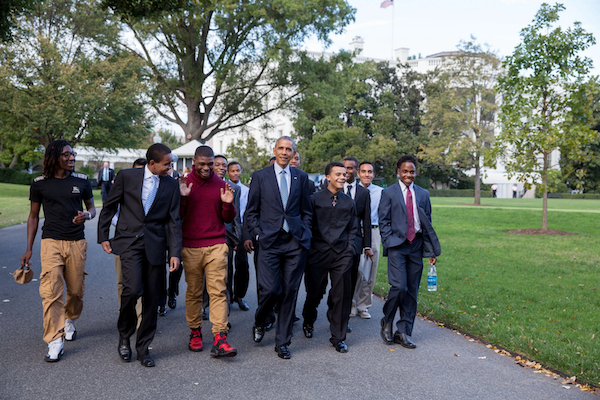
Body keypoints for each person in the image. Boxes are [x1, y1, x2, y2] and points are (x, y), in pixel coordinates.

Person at [98, 143, 182, 368]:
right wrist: (104, 236)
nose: (170, 167)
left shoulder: (171, 185)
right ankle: (124, 335)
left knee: (152, 299)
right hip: (129, 242)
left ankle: (143, 347)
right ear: (152, 163)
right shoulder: (127, 176)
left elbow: (174, 221)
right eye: (167, 164)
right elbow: (109, 206)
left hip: (155, 246)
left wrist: (175, 253)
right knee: (132, 289)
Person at [20, 140, 96, 362]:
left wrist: (87, 215)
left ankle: (70, 318)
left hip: (76, 243)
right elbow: (33, 216)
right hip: (50, 241)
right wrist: (28, 249)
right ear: (54, 157)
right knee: (51, 291)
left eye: (72, 154)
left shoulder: (81, 181)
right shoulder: (40, 184)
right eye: (66, 155)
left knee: (75, 291)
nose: (71, 158)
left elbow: (92, 208)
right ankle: (54, 339)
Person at [245, 136, 313, 359]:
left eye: (289, 149)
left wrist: (305, 232)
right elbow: (251, 212)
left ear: (294, 153)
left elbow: (306, 211)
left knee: (290, 292)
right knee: (272, 289)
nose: (285, 152)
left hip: (295, 242)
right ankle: (261, 319)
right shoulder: (260, 176)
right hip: (269, 241)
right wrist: (257, 234)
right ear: (274, 150)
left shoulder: (301, 177)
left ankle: (282, 342)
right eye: (281, 148)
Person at [179, 145, 238, 358]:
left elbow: (227, 218)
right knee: (194, 292)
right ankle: (195, 332)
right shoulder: (185, 184)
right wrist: (183, 197)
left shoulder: (222, 185)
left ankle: (220, 337)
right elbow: (179, 217)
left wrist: (228, 205)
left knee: (218, 292)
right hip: (191, 246)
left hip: (216, 244)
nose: (206, 168)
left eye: (210, 164)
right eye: (202, 164)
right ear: (194, 163)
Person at [379, 155, 441, 349]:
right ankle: (387, 320)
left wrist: (430, 250)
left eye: (411, 171)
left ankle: (403, 331)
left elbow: (428, 223)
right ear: (398, 172)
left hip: (416, 246)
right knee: (399, 287)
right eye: (405, 171)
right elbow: (383, 220)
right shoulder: (388, 193)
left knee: (412, 291)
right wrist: (389, 242)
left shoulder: (423, 194)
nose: (408, 175)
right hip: (397, 245)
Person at [302, 162, 356, 353]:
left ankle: (338, 337)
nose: (343, 177)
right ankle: (308, 319)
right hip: (317, 253)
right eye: (338, 174)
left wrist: (349, 250)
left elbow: (352, 229)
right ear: (327, 177)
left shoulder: (349, 202)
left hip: (341, 254)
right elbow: (307, 224)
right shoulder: (314, 199)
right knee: (315, 293)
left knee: (341, 295)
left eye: (344, 174)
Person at [113, 158, 146, 328]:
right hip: (123, 239)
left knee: (140, 282)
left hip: (144, 242)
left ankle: (140, 318)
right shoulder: (123, 186)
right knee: (122, 280)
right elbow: (111, 211)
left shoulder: (150, 190)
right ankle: (125, 312)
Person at [342, 157, 372, 328]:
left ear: (357, 171)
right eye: (346, 168)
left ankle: (345, 314)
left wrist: (367, 245)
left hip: (355, 242)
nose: (348, 171)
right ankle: (337, 310)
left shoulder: (363, 193)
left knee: (352, 278)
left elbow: (366, 221)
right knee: (339, 279)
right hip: (335, 241)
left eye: (352, 168)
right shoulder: (334, 188)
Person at [352, 161, 383, 319]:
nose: (367, 175)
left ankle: (363, 305)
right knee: (356, 269)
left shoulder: (380, 192)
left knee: (370, 270)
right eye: (363, 171)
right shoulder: (352, 189)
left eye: (370, 172)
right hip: (356, 232)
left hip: (373, 231)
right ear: (358, 173)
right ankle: (351, 302)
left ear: (373, 174)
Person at [227, 161, 251, 311]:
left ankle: (239, 295)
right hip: (228, 229)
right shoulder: (224, 187)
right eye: (232, 171)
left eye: (238, 170)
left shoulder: (246, 190)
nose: (236, 173)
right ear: (228, 173)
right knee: (227, 265)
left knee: (242, 264)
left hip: (242, 229)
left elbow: (248, 210)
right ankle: (227, 296)